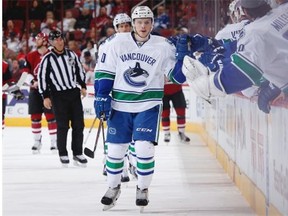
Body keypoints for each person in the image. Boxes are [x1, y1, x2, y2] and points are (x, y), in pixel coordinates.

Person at [93, 6, 185, 210]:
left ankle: (142, 188)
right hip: (120, 104)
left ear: (152, 24)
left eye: (147, 22)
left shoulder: (163, 45)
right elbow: (105, 70)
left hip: (148, 104)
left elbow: (177, 77)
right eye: (139, 22)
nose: (143, 26)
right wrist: (101, 94)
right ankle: (113, 187)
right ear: (133, 24)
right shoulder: (116, 42)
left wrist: (183, 60)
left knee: (144, 147)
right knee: (115, 151)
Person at [182, 0, 288, 114]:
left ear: (245, 11)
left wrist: (207, 85)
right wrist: (273, 85)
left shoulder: (256, 32)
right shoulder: (284, 9)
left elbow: (241, 74)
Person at [37, 30, 88, 167]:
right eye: (56, 40)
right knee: (62, 126)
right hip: (58, 96)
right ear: (51, 42)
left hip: (74, 94)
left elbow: (79, 70)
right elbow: (42, 78)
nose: (59, 42)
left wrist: (82, 86)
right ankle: (63, 153)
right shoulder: (47, 59)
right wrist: (45, 96)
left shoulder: (71, 54)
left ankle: (77, 152)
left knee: (79, 124)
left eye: (61, 39)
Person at [21, 32, 58, 154]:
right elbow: (25, 72)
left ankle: (54, 142)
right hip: (35, 90)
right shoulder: (31, 56)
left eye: (39, 39)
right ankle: (37, 141)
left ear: (46, 41)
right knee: (35, 117)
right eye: (36, 39)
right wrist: (33, 81)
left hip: (50, 91)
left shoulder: (53, 55)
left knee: (51, 117)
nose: (36, 41)